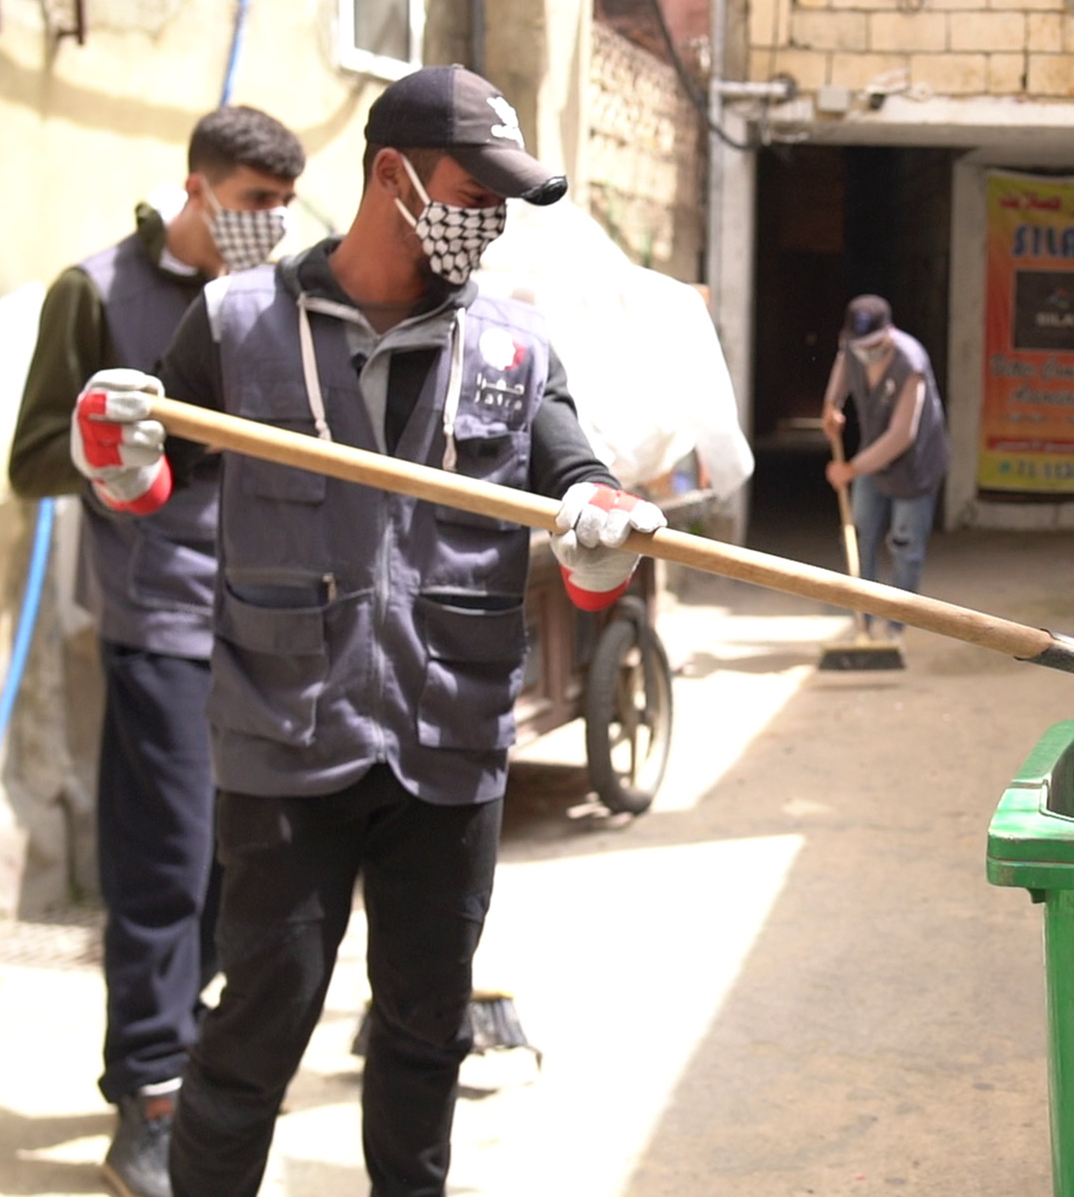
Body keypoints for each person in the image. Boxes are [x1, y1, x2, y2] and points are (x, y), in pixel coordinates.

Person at [65, 65, 665, 1197]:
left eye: (503, 197)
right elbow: (150, 478)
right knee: (260, 1022)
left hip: (449, 743)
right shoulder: (237, 325)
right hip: (286, 741)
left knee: (425, 1029)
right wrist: (117, 455)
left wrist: (606, 530)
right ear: (392, 178)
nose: (485, 216)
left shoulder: (516, 349)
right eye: (470, 189)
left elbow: (576, 479)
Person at [6, 106, 303, 1197]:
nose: (267, 226)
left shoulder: (271, 300)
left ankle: (188, 1047)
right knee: (165, 864)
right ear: (197, 189)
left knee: (249, 860)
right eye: (251, 205)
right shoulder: (93, 293)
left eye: (282, 207)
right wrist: (112, 448)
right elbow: (33, 455)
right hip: (159, 619)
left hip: (264, 613)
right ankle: (148, 1089)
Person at [820, 294, 949, 635]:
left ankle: (897, 626)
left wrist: (851, 469)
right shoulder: (852, 349)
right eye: (857, 344)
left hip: (915, 464)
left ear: (888, 333)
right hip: (873, 459)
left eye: (872, 343)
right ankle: (864, 616)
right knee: (860, 532)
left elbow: (901, 435)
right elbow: (842, 367)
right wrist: (832, 404)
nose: (864, 350)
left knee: (905, 545)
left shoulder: (911, 364)